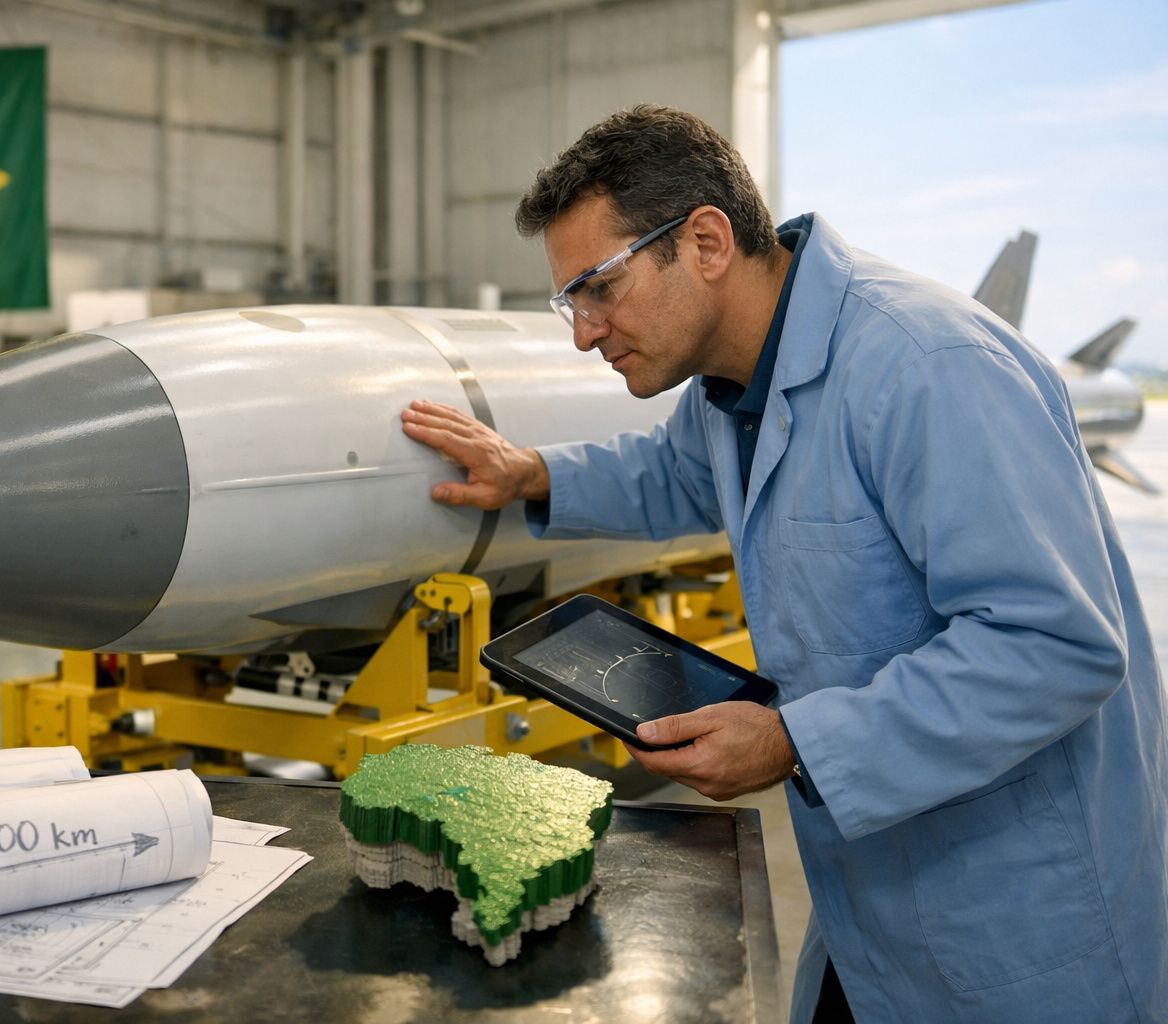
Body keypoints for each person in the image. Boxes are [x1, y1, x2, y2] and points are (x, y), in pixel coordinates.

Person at [400, 106, 1167, 1023]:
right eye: (571, 302)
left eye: (599, 288)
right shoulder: (730, 388)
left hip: (1015, 907)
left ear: (706, 242)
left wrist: (794, 742)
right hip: (874, 890)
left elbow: (1054, 645)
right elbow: (672, 477)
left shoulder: (928, 367)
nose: (584, 332)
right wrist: (533, 474)